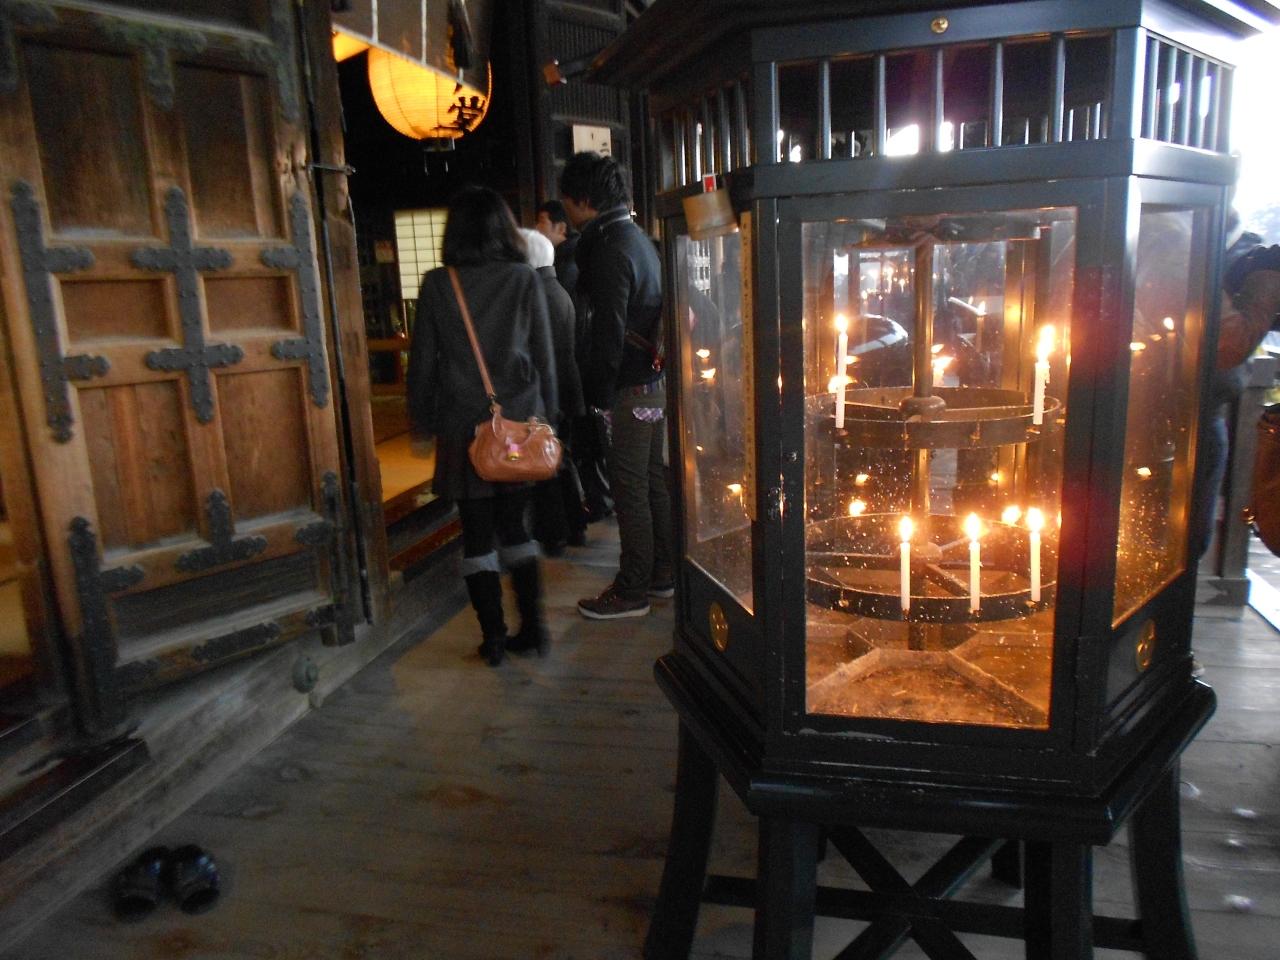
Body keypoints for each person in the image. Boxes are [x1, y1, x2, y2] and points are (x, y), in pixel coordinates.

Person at [406, 186, 558, 665]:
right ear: (504, 229)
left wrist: (421, 423)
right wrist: (550, 422)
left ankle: (493, 639)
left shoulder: (438, 284)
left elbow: (422, 364)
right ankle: (534, 629)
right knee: (516, 526)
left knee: (475, 533)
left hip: (462, 428)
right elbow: (545, 358)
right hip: (520, 426)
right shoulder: (524, 278)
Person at [559, 151, 674, 619]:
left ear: (584, 200)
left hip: (627, 390)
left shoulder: (609, 249)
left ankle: (632, 590)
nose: (566, 210)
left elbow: (606, 333)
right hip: (653, 384)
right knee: (650, 483)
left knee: (629, 491)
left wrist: (597, 399)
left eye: (567, 200)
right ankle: (662, 572)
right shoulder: (639, 239)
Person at [1188, 216, 1280, 563]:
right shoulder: (1179, 233)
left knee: (1184, 544)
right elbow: (1229, 344)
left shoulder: (1220, 243)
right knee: (1181, 545)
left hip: (1193, 417)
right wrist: (1267, 280)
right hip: (1184, 420)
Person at [520, 227, 588, 554]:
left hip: (551, 393)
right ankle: (574, 526)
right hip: (567, 388)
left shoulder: (537, 297)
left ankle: (556, 532)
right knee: (559, 460)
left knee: (547, 464)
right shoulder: (556, 289)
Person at [535, 199, 580, 297]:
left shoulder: (572, 259)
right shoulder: (562, 254)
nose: (537, 228)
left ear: (561, 228)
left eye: (542, 222)